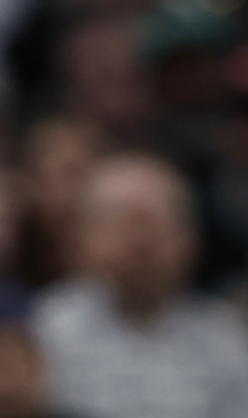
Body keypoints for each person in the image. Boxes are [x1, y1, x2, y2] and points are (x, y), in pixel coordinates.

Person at [30, 153, 248, 418]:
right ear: (82, 238)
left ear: (191, 239)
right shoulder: (47, 328)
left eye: (157, 223)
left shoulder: (226, 336)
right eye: (120, 222)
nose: (140, 242)